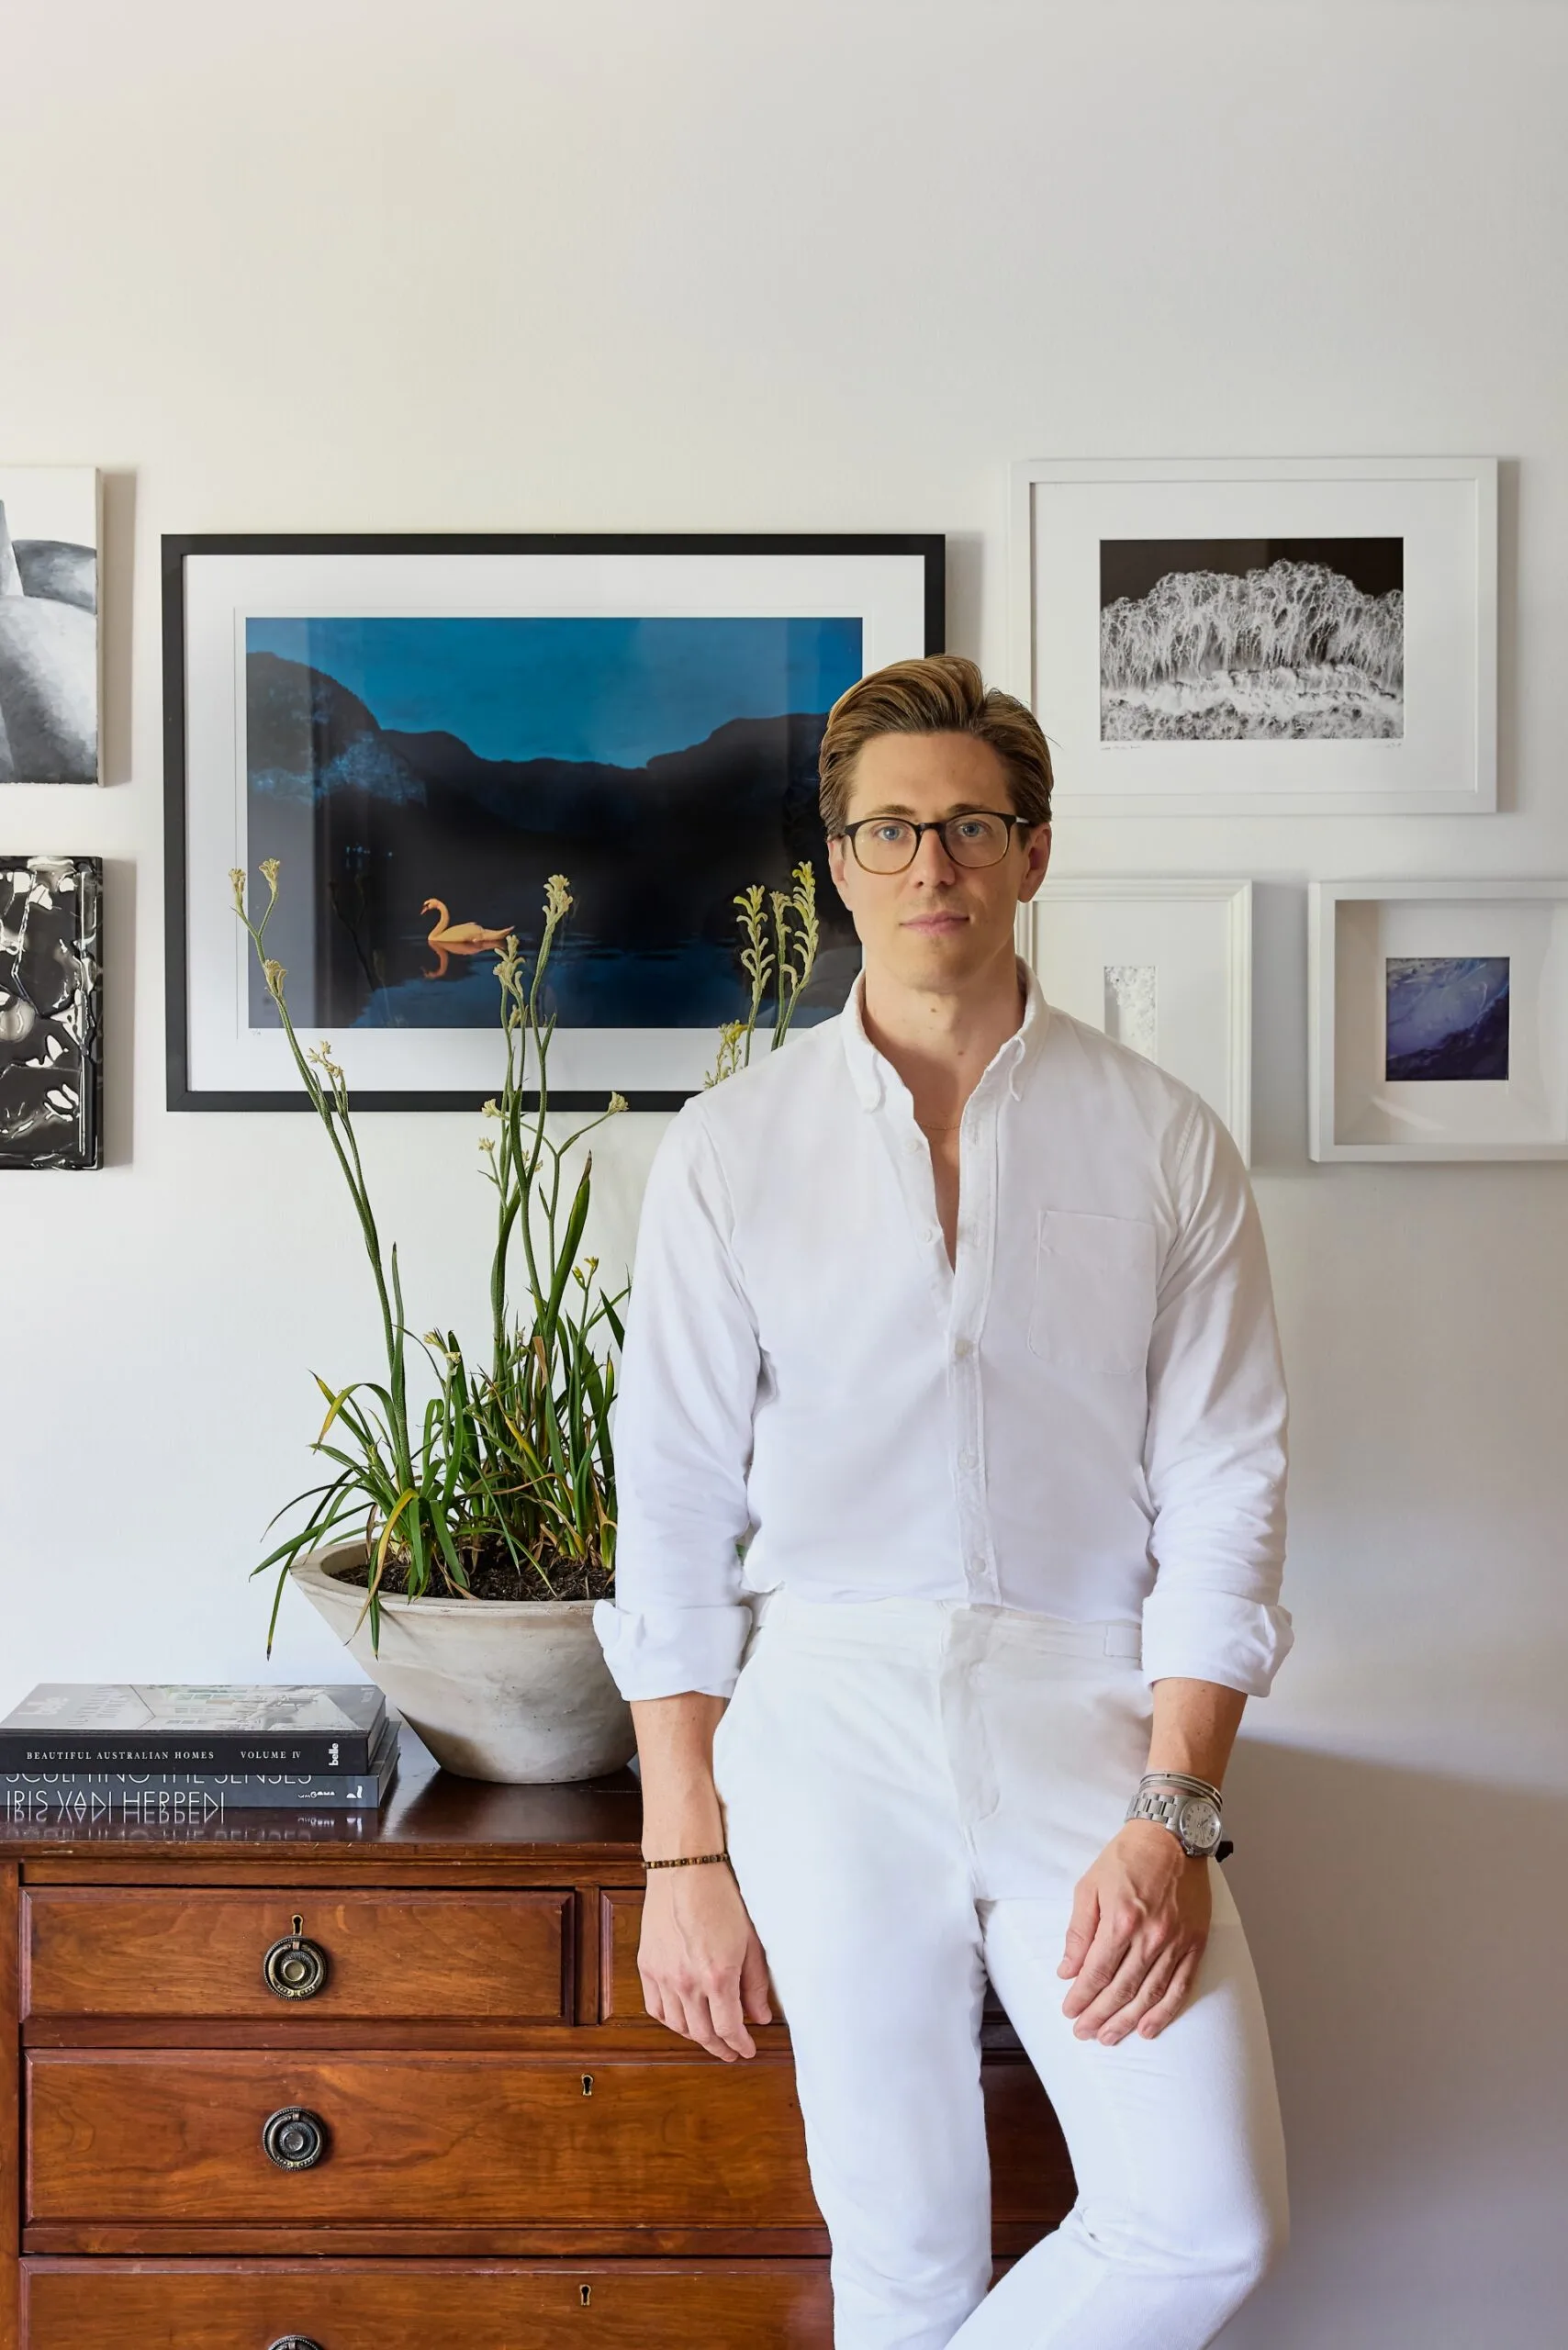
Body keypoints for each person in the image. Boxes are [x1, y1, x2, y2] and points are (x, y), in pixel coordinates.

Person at [592, 654, 1293, 2350]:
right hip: (824, 1715)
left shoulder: (1165, 1141)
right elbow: (673, 1506)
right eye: (891, 830)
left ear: (1034, 853)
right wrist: (683, 1851)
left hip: (1086, 1706)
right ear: (837, 860)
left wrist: (1173, 1815)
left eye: (970, 826)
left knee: (1203, 2230)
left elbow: (1227, 1489)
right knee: (902, 2257)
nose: (933, 867)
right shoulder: (734, 1149)